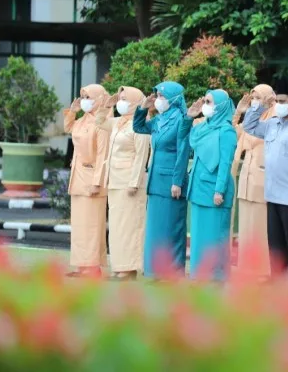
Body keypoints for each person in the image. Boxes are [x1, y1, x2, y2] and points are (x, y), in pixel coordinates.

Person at [242, 79, 288, 275]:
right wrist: (259, 106)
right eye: (276, 101)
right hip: (273, 196)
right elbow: (249, 126)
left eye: (281, 101)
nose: (277, 105)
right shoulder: (272, 125)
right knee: (276, 251)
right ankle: (278, 294)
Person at [132, 81, 191, 279]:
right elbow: (139, 127)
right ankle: (154, 270)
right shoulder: (160, 119)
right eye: (157, 95)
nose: (158, 100)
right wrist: (143, 108)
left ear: (174, 99)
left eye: (162, 96)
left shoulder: (181, 119)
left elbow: (183, 152)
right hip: (155, 180)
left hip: (171, 182)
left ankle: (172, 272)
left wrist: (178, 181)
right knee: (156, 229)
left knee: (170, 227)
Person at [94, 86, 151, 281]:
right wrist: (105, 106)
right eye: (120, 98)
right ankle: (119, 267)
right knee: (117, 227)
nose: (121, 102)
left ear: (136, 102)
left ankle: (129, 269)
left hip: (130, 182)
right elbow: (99, 122)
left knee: (130, 226)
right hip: (115, 180)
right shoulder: (118, 122)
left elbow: (141, 155)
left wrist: (134, 182)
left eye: (125, 99)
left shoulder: (140, 124)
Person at [182, 89, 238, 282]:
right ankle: (199, 274)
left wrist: (219, 190)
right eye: (205, 101)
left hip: (215, 190)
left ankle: (216, 278)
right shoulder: (201, 127)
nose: (206, 105)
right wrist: (189, 117)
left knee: (215, 237)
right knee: (199, 236)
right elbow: (185, 137)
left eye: (209, 102)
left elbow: (225, 163)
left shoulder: (227, 130)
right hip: (198, 187)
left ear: (221, 106)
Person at [62, 84, 110, 278]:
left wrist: (97, 182)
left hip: (93, 179)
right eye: (82, 96)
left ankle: (93, 266)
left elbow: (103, 155)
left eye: (88, 96)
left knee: (93, 226)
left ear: (99, 99)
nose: (84, 100)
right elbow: (67, 128)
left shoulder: (103, 122)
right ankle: (81, 265)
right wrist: (72, 112)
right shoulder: (82, 120)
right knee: (80, 225)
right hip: (78, 177)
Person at [232, 84, 276, 280]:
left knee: (261, 227)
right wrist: (239, 113)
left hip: (264, 178)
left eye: (258, 97)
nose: (255, 100)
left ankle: (263, 270)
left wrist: (258, 110)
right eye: (253, 97)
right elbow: (234, 134)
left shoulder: (274, 118)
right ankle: (247, 267)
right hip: (247, 178)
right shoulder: (251, 117)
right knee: (246, 227)